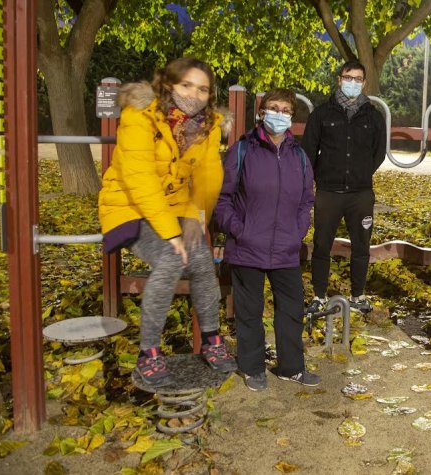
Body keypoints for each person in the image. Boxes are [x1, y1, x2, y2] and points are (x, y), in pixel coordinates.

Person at [98, 57, 237, 387]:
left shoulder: (208, 125)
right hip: (128, 205)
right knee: (172, 258)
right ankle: (148, 351)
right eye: (186, 85)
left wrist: (197, 219)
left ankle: (212, 340)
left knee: (201, 261)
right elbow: (140, 179)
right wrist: (172, 233)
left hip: (176, 206)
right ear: (169, 84)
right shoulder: (140, 115)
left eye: (202, 89)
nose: (194, 95)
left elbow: (208, 178)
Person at [213, 88, 319, 391]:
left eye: (285, 110)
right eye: (273, 108)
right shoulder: (242, 150)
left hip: (286, 248)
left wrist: (298, 232)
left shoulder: (299, 156)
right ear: (261, 113)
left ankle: (292, 367)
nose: (279, 114)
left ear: (292, 116)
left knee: (292, 309)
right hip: (247, 247)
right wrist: (239, 230)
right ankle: (252, 367)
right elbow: (223, 198)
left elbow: (306, 200)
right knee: (249, 312)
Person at [302, 60, 387, 315]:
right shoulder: (321, 114)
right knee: (321, 245)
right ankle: (319, 296)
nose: (352, 83)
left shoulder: (374, 117)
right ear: (339, 80)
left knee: (361, 246)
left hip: (360, 194)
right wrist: (321, 177)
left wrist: (361, 174)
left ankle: (358, 295)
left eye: (358, 79)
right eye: (348, 78)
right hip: (328, 193)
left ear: (364, 83)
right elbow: (308, 151)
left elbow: (378, 153)